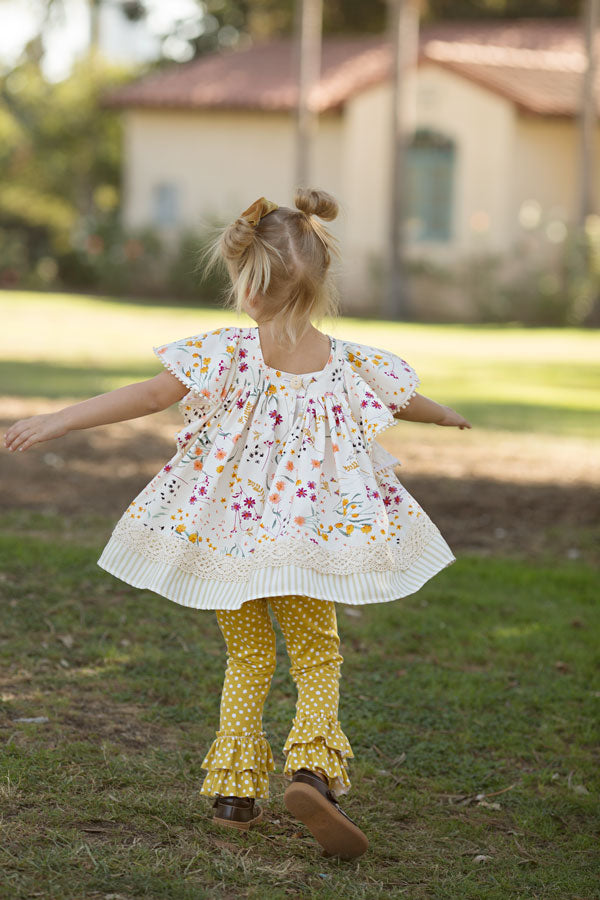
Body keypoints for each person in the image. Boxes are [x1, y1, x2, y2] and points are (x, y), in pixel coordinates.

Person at [3, 187, 471, 861]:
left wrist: (60, 418)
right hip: (305, 544)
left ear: (250, 286)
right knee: (317, 653)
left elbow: (147, 394)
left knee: (248, 654)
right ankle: (311, 770)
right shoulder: (344, 362)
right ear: (315, 283)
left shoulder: (227, 351)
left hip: (227, 539)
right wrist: (446, 414)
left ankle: (235, 792)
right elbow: (403, 399)